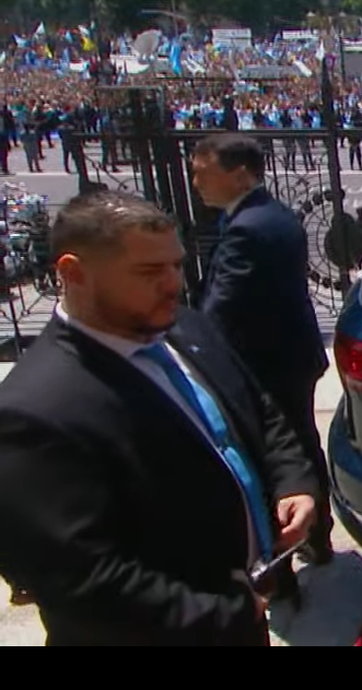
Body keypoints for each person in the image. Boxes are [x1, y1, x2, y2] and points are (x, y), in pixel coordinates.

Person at [0, 190, 318, 645]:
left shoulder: (185, 325)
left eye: (175, 265)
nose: (172, 283)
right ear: (73, 273)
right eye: (149, 272)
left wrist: (294, 481)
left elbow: (258, 409)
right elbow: (82, 580)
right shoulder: (31, 413)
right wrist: (227, 610)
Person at [192, 134, 333, 568]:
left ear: (238, 175)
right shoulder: (261, 216)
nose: (196, 183)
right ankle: (316, 536)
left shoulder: (251, 228)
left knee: (281, 455)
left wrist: (194, 348)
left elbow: (221, 307)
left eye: (202, 173)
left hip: (269, 367)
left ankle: (296, 541)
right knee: (302, 446)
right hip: (288, 357)